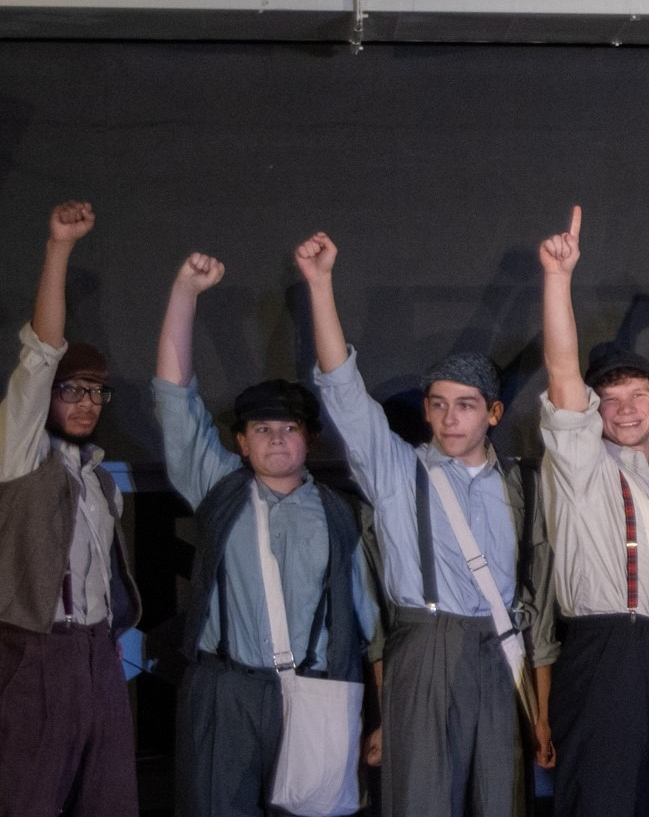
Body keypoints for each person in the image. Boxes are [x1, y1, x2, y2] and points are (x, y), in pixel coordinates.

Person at [302, 230, 538, 817]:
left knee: (500, 798)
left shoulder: (517, 482)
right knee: (420, 800)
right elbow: (344, 392)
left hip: (500, 647)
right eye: (437, 403)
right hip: (425, 642)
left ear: (493, 412)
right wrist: (320, 283)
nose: (448, 418)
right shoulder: (397, 471)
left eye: (464, 405)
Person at [154, 251, 381, 817]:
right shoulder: (219, 488)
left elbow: (370, 624)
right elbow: (174, 398)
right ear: (242, 442)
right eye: (262, 429)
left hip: (315, 691)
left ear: (311, 440)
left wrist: (381, 715)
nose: (277, 440)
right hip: (227, 690)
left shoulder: (340, 514)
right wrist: (185, 292)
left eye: (290, 429)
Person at [529, 208, 649, 817]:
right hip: (605, 650)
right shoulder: (580, 462)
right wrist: (559, 278)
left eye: (636, 393)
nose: (624, 408)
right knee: (603, 800)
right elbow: (563, 373)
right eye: (607, 398)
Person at [0, 200, 141, 817]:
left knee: (108, 800)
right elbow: (39, 354)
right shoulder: (20, 454)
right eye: (73, 391)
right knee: (28, 799)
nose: (87, 403)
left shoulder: (100, 480)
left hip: (98, 656)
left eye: (96, 392)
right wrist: (59, 248)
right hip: (35, 653)